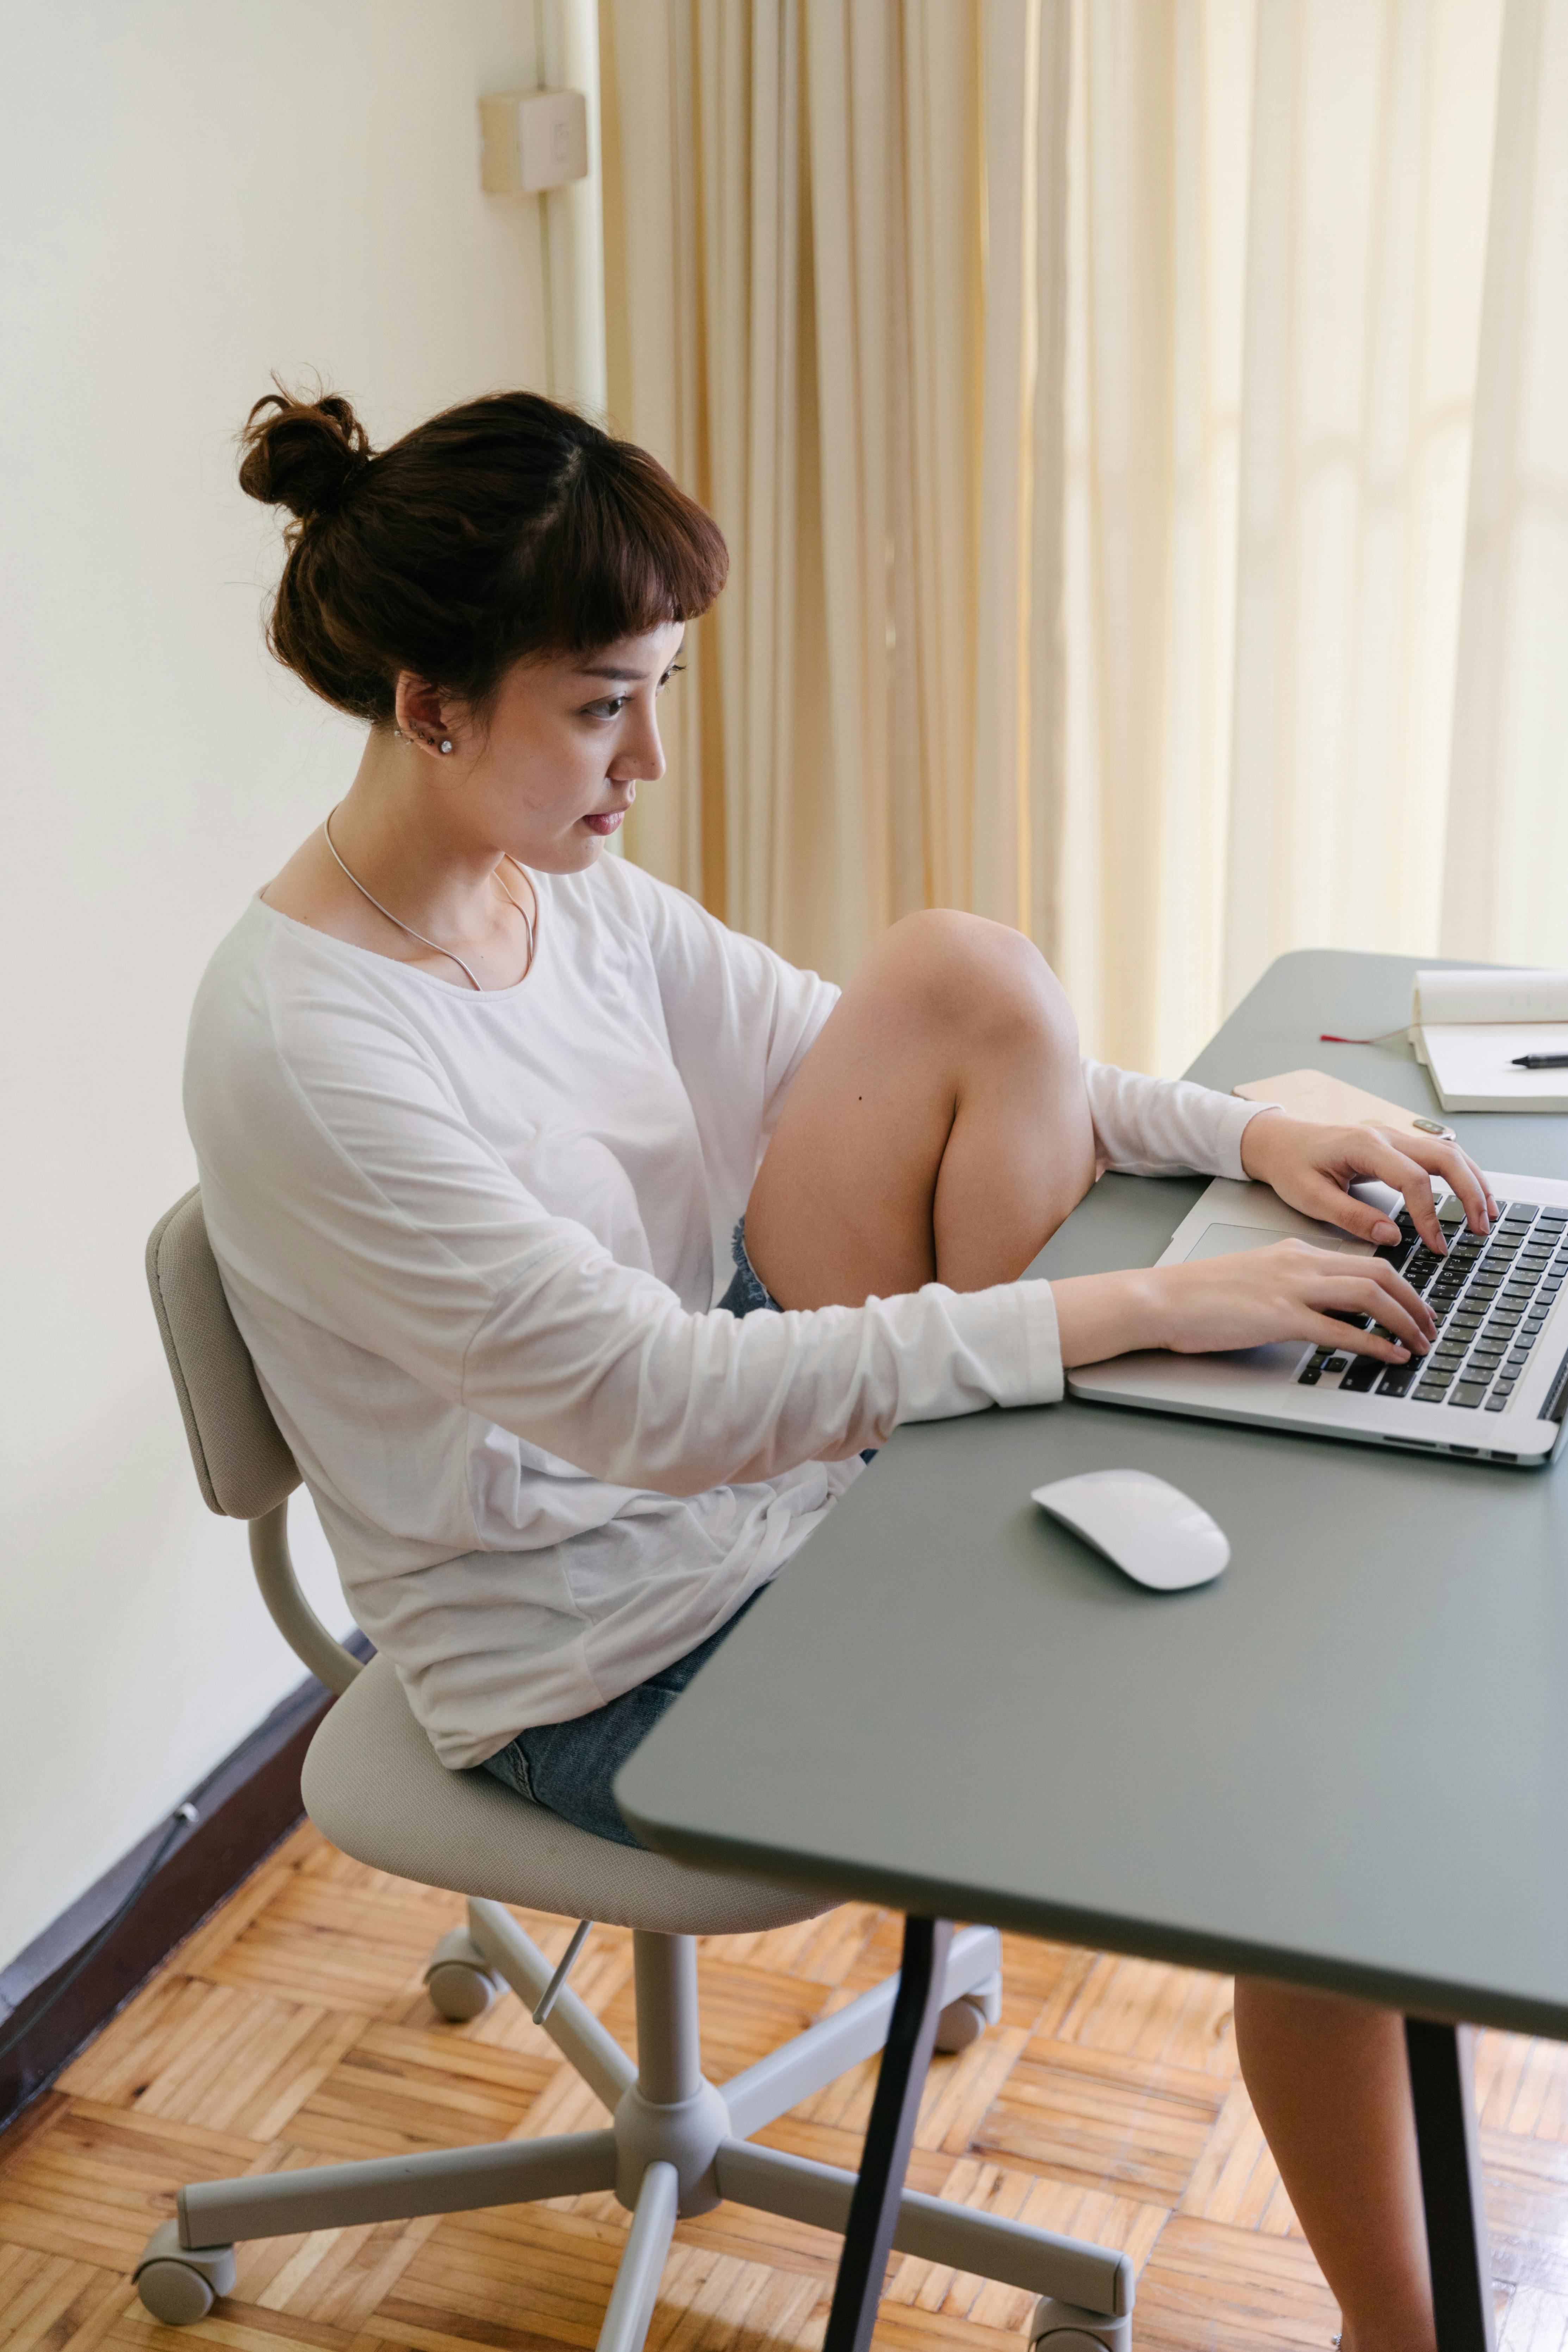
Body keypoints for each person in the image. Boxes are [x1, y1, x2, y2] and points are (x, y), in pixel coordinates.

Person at [187, 385, 1490, 2352]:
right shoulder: (316, 1049)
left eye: (658, 689)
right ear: (428, 699)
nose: (647, 757)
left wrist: (1237, 1135)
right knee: (1312, 1807)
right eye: (602, 703)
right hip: (595, 1651)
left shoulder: (553, 884)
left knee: (964, 966)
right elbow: (642, 1403)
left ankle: (1030, 1492)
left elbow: (861, 1052)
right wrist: (1125, 1317)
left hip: (757, 1464)